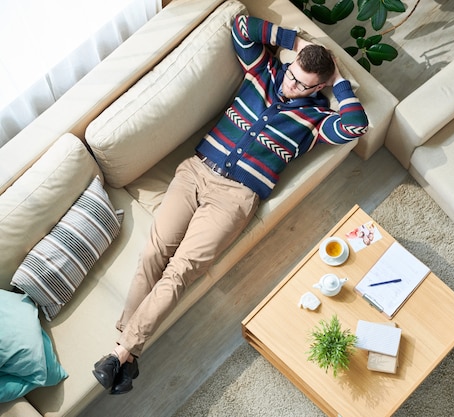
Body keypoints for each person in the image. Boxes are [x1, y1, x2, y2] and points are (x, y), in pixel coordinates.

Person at [92, 13, 368, 395]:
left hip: (235, 198)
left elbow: (356, 124)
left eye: (302, 85)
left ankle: (120, 353)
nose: (290, 85)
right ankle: (124, 356)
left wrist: (338, 81)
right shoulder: (265, 71)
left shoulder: (316, 119)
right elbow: (241, 26)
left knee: (181, 270)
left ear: (318, 87)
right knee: (153, 253)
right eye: (291, 75)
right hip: (193, 173)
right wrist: (295, 44)